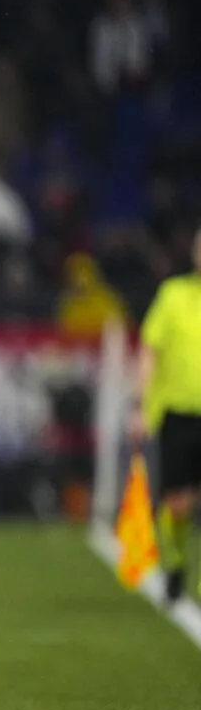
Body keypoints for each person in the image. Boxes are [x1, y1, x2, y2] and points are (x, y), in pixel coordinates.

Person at [132, 228, 201, 602]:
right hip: (178, 413)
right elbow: (149, 352)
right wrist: (140, 405)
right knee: (178, 502)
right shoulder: (173, 296)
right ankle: (175, 562)